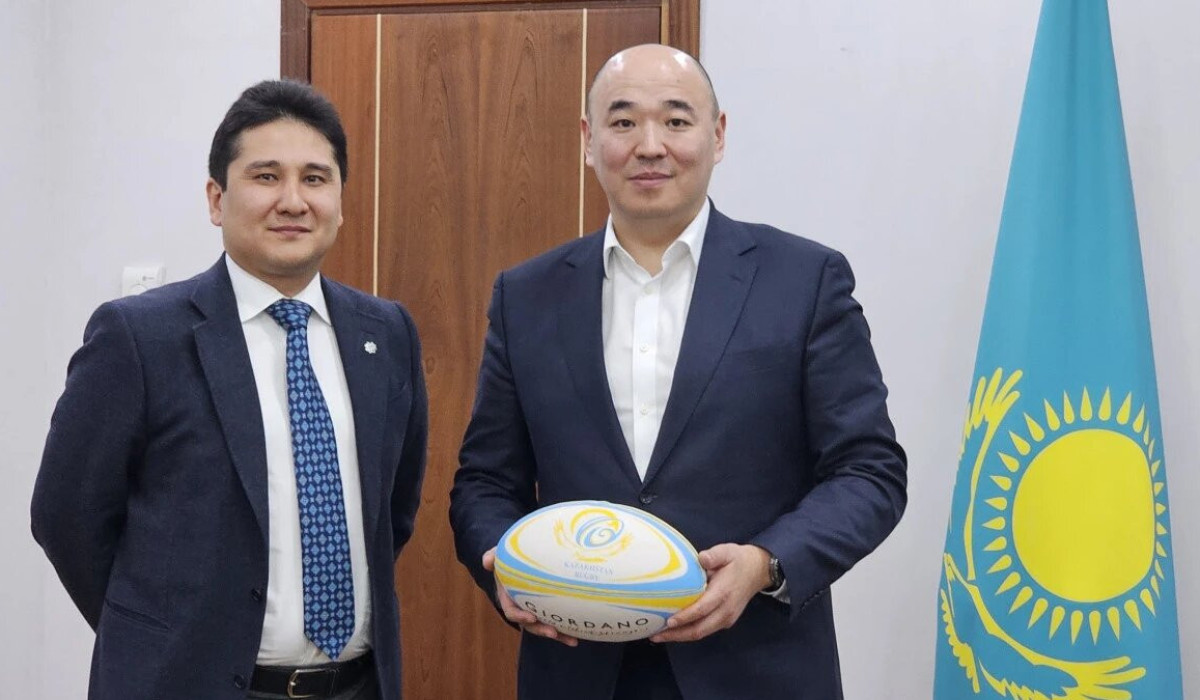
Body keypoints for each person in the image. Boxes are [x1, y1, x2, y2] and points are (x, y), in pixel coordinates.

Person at [449, 44, 907, 699]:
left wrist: (767, 563)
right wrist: (504, 562)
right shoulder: (527, 296)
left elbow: (869, 470)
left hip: (756, 669)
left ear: (717, 136)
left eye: (676, 120)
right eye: (623, 121)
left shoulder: (804, 280)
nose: (650, 145)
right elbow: (486, 482)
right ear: (588, 140)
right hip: (579, 669)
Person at [31, 80, 427, 700]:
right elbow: (67, 515)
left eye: (315, 179)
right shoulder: (139, 337)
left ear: (340, 201)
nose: (293, 200)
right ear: (217, 199)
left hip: (356, 685)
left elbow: (392, 513)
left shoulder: (387, 332)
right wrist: (154, 634)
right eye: (266, 177)